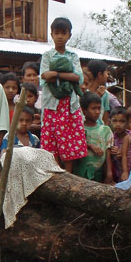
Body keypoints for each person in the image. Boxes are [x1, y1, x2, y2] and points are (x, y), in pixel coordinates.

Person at [39, 17, 87, 173]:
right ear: (51, 34)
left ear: (69, 35)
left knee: (69, 140)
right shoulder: (47, 55)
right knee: (51, 139)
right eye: (56, 33)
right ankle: (55, 172)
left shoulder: (73, 56)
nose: (60, 36)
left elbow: (78, 78)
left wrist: (56, 74)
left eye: (63, 33)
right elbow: (44, 76)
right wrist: (66, 73)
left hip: (69, 105)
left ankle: (68, 174)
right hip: (51, 105)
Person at [74, 92, 113, 182]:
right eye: (93, 108)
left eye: (99, 108)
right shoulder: (79, 129)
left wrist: (109, 173)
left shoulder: (105, 130)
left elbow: (108, 154)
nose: (97, 112)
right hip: (81, 172)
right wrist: (89, 145)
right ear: (84, 110)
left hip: (98, 173)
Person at [86, 59, 120, 124]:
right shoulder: (83, 92)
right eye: (106, 73)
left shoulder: (105, 94)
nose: (107, 76)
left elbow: (105, 118)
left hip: (100, 131)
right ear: (100, 74)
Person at [109, 107, 131, 183]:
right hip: (119, 175)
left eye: (122, 121)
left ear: (127, 123)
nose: (118, 124)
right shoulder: (111, 139)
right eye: (114, 121)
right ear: (110, 121)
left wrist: (123, 152)